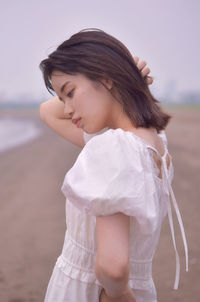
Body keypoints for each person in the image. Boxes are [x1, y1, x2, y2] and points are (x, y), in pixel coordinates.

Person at [39, 28, 188, 302]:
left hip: (92, 292)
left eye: (70, 92)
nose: (67, 109)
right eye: (63, 98)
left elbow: (113, 268)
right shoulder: (154, 143)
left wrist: (120, 295)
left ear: (105, 77)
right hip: (141, 289)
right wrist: (126, 79)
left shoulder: (113, 148)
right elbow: (47, 111)